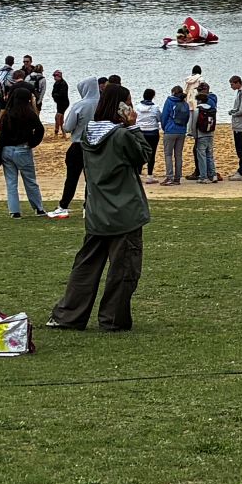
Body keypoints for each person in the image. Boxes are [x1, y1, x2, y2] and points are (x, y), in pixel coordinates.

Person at [51, 83, 151, 332]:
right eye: (128, 103)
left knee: (86, 265)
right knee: (124, 267)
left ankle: (69, 315)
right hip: (124, 212)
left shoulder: (88, 134)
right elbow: (143, 155)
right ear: (120, 107)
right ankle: (112, 318)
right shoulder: (121, 135)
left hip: (97, 210)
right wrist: (133, 126)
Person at [0, 78, 52, 217]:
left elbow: (1, 137)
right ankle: (38, 208)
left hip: (7, 150)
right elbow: (40, 130)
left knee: (11, 183)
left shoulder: (6, 115)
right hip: (22, 149)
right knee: (30, 181)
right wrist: (32, 142)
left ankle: (14, 211)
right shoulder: (29, 114)